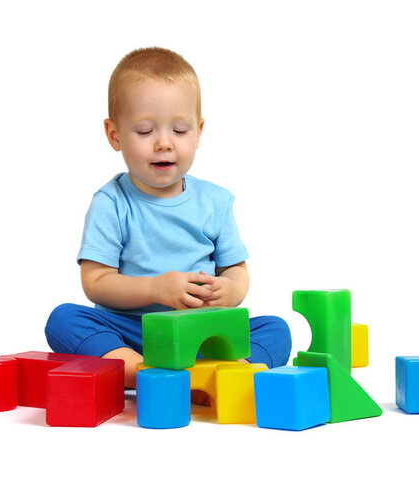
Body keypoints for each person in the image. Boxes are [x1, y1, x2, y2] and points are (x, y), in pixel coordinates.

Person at [45, 47, 291, 390]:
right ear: (114, 135)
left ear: (199, 131)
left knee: (276, 328)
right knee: (63, 320)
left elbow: (236, 270)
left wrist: (230, 290)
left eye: (179, 130)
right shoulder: (111, 202)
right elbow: (96, 281)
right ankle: (149, 373)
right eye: (145, 131)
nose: (164, 143)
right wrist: (156, 288)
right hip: (131, 331)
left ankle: (225, 373)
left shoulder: (215, 201)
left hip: (201, 333)